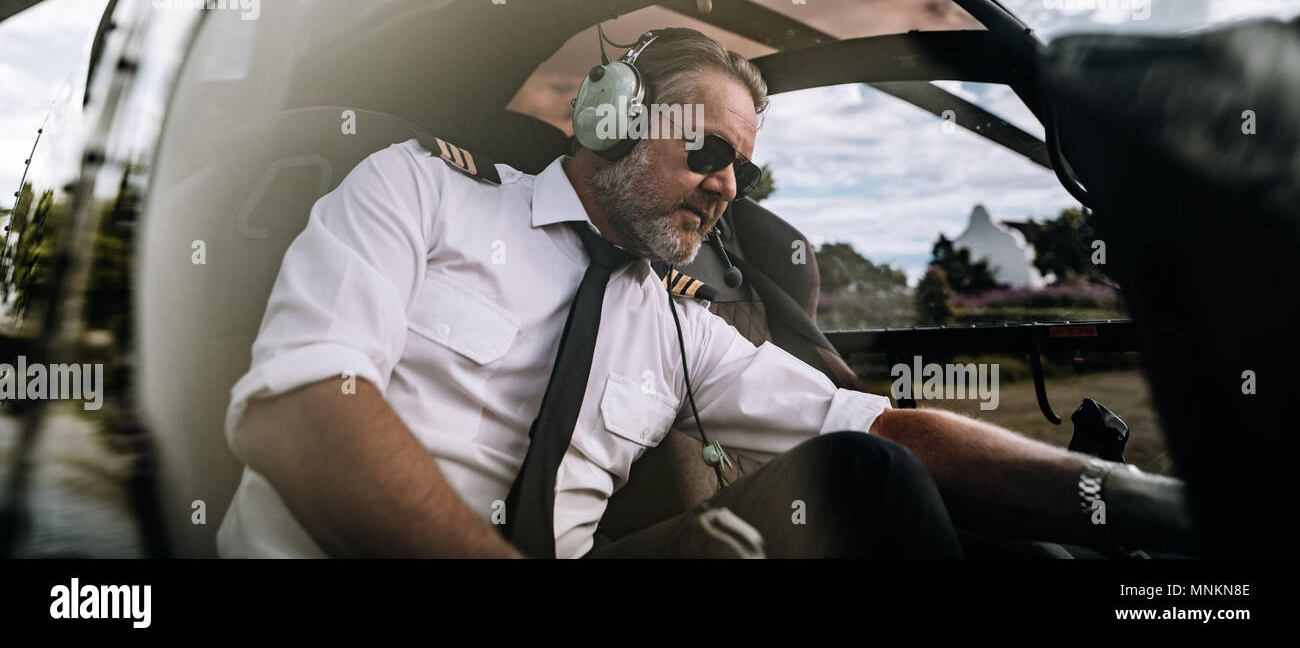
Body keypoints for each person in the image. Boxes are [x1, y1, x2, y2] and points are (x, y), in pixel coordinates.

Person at [216, 27, 1194, 558]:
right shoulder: (420, 191)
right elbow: (303, 411)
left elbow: (886, 431)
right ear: (609, 120)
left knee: (872, 479)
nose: (727, 183)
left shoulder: (679, 320)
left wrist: (1158, 502)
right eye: (707, 148)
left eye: (746, 171)